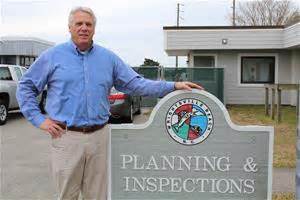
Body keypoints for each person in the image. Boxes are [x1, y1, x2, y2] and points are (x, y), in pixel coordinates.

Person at [16, 6, 203, 200]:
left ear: (94, 29)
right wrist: (39, 120)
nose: (84, 28)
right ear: (70, 27)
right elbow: (26, 87)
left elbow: (136, 84)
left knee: (98, 195)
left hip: (100, 137)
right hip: (66, 137)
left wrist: (174, 85)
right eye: (79, 24)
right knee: (66, 196)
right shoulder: (52, 56)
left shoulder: (108, 59)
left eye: (88, 24)